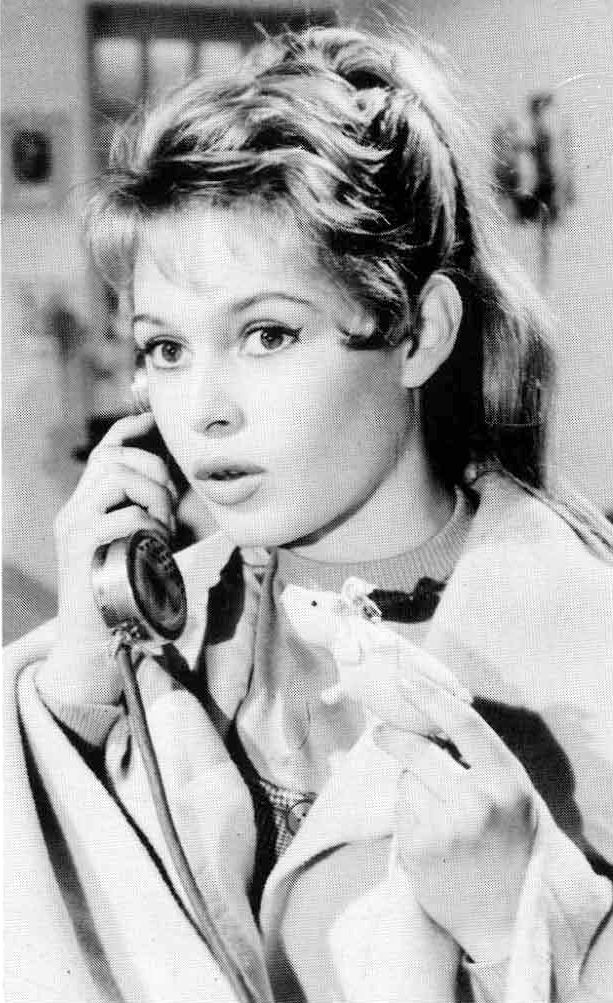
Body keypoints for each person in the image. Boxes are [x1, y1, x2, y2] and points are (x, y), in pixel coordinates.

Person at [6, 25, 613, 1003]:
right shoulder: (153, 634)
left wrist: (511, 933)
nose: (203, 408)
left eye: (265, 333)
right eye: (166, 348)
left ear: (417, 333)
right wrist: (75, 694)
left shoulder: (589, 642)